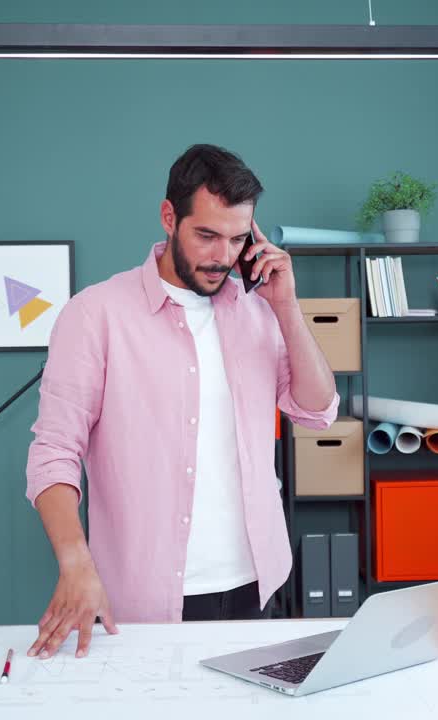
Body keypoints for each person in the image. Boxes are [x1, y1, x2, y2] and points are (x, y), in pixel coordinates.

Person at [24, 144, 339, 660]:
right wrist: (75, 562)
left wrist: (286, 308)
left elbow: (317, 410)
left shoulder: (259, 312)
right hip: (144, 598)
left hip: (257, 581)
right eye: (207, 235)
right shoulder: (95, 315)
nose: (223, 256)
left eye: (239, 239)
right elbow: (53, 452)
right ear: (169, 218)